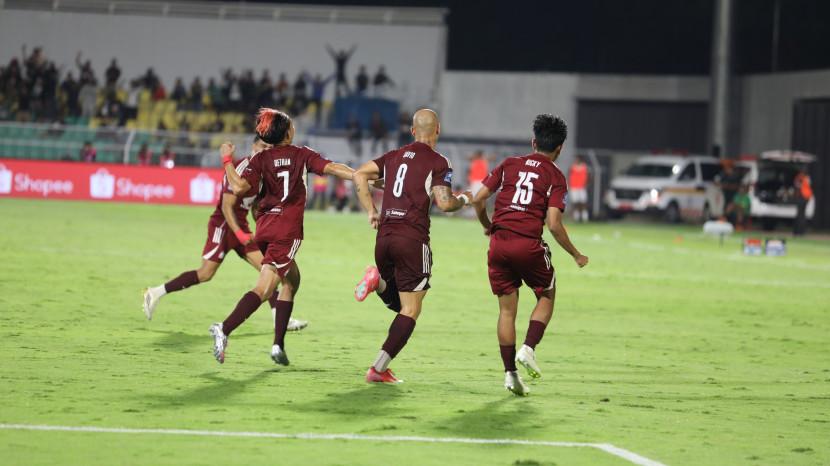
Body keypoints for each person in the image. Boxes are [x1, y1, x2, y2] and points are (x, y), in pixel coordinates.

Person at [214, 108, 355, 365]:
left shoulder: (260, 159)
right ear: (288, 133)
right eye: (292, 125)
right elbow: (333, 168)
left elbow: (238, 187)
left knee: (292, 280)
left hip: (264, 229)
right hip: (285, 232)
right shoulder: (301, 154)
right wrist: (359, 175)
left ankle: (278, 345)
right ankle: (224, 328)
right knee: (265, 288)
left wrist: (226, 160)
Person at [352, 109, 473, 384]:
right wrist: (465, 199)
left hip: (384, 238)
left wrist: (371, 210)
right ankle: (378, 369)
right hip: (411, 239)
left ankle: (378, 282)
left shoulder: (394, 156)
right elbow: (445, 203)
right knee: (411, 310)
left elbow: (359, 174)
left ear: (412, 131)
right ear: (438, 130)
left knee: (402, 302)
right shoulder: (439, 161)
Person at [471, 114, 589, 396]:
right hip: (527, 244)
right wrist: (576, 254)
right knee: (547, 293)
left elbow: (478, 198)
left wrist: (488, 225)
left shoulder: (509, 164)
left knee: (506, 311)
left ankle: (510, 375)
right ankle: (528, 348)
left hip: (499, 244)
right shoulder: (556, 176)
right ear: (559, 148)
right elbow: (554, 224)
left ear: (533, 142)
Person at [143, 136, 309, 332]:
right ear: (253, 146)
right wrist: (239, 233)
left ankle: (279, 319)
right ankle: (155, 293)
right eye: (262, 146)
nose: (265, 150)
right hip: (223, 226)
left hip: (241, 226)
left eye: (269, 147)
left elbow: (256, 205)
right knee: (205, 273)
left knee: (270, 269)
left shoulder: (264, 170)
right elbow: (226, 206)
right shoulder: (241, 168)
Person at [568, 155, 590, 222]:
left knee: (583, 202)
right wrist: (569, 184)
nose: (576, 160)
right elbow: (569, 176)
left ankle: (584, 218)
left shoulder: (584, 167)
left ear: (580, 160)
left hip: (582, 187)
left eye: (577, 159)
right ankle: (576, 218)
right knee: (575, 203)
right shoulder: (572, 167)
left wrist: (587, 184)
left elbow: (589, 176)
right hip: (574, 187)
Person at [793, 168, 813, 236]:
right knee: (802, 215)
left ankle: (798, 232)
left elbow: (797, 185)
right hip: (806, 197)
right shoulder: (807, 177)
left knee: (800, 215)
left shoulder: (800, 177)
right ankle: (801, 232)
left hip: (802, 197)